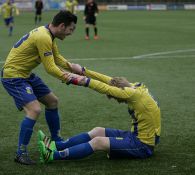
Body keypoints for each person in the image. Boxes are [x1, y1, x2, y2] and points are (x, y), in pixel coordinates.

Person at [0, 10, 84, 165]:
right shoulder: (44, 37)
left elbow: (56, 58)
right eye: (71, 29)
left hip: (25, 73)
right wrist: (69, 77)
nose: (71, 33)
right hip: (13, 76)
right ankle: (21, 152)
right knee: (34, 109)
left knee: (52, 101)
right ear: (62, 26)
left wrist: (72, 67)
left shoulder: (48, 34)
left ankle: (56, 141)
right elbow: (50, 68)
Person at [38, 68, 161, 162]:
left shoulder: (131, 94)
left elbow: (105, 88)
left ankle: (52, 155)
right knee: (97, 131)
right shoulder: (136, 87)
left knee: (97, 142)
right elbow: (109, 81)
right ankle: (56, 145)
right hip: (135, 136)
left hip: (142, 146)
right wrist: (83, 71)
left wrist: (83, 81)